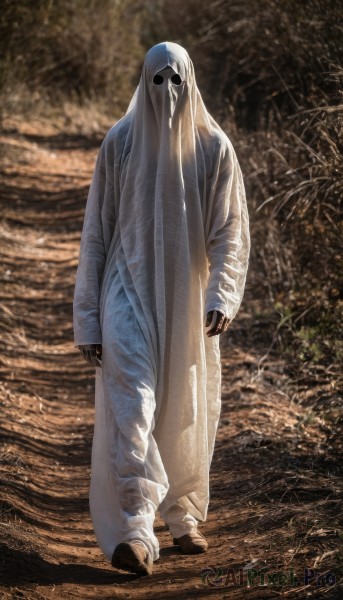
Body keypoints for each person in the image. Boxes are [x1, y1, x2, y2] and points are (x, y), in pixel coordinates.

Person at [73, 41, 250, 576]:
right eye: (158, 80)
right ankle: (135, 527)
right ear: (143, 80)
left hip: (188, 303)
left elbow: (229, 233)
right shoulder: (121, 143)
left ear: (190, 80)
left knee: (181, 409)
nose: (167, 92)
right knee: (135, 409)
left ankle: (181, 513)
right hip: (124, 296)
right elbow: (96, 233)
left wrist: (222, 293)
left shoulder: (213, 148)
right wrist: (88, 317)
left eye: (177, 80)